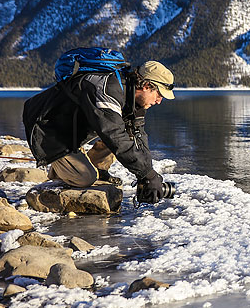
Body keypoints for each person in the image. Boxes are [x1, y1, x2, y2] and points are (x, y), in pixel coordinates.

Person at [23, 60, 175, 203]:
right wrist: (148, 175)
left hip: (71, 128)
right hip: (46, 126)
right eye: (159, 94)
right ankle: (61, 169)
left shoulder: (133, 98)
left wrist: (147, 175)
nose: (159, 101)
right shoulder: (108, 92)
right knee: (85, 178)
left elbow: (138, 137)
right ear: (146, 86)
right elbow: (115, 137)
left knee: (123, 136)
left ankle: (92, 167)